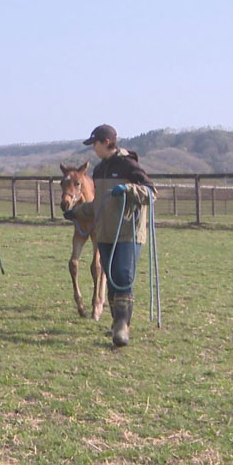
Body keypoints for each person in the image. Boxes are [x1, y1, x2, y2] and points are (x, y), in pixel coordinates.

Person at [62, 124, 155, 347]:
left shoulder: (128, 165)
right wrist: (77, 212)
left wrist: (129, 189)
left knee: (123, 277)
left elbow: (151, 192)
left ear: (105, 142)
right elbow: (98, 204)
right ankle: (117, 322)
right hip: (105, 233)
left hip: (126, 232)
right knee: (111, 281)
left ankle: (122, 327)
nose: (93, 149)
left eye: (94, 144)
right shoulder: (100, 171)